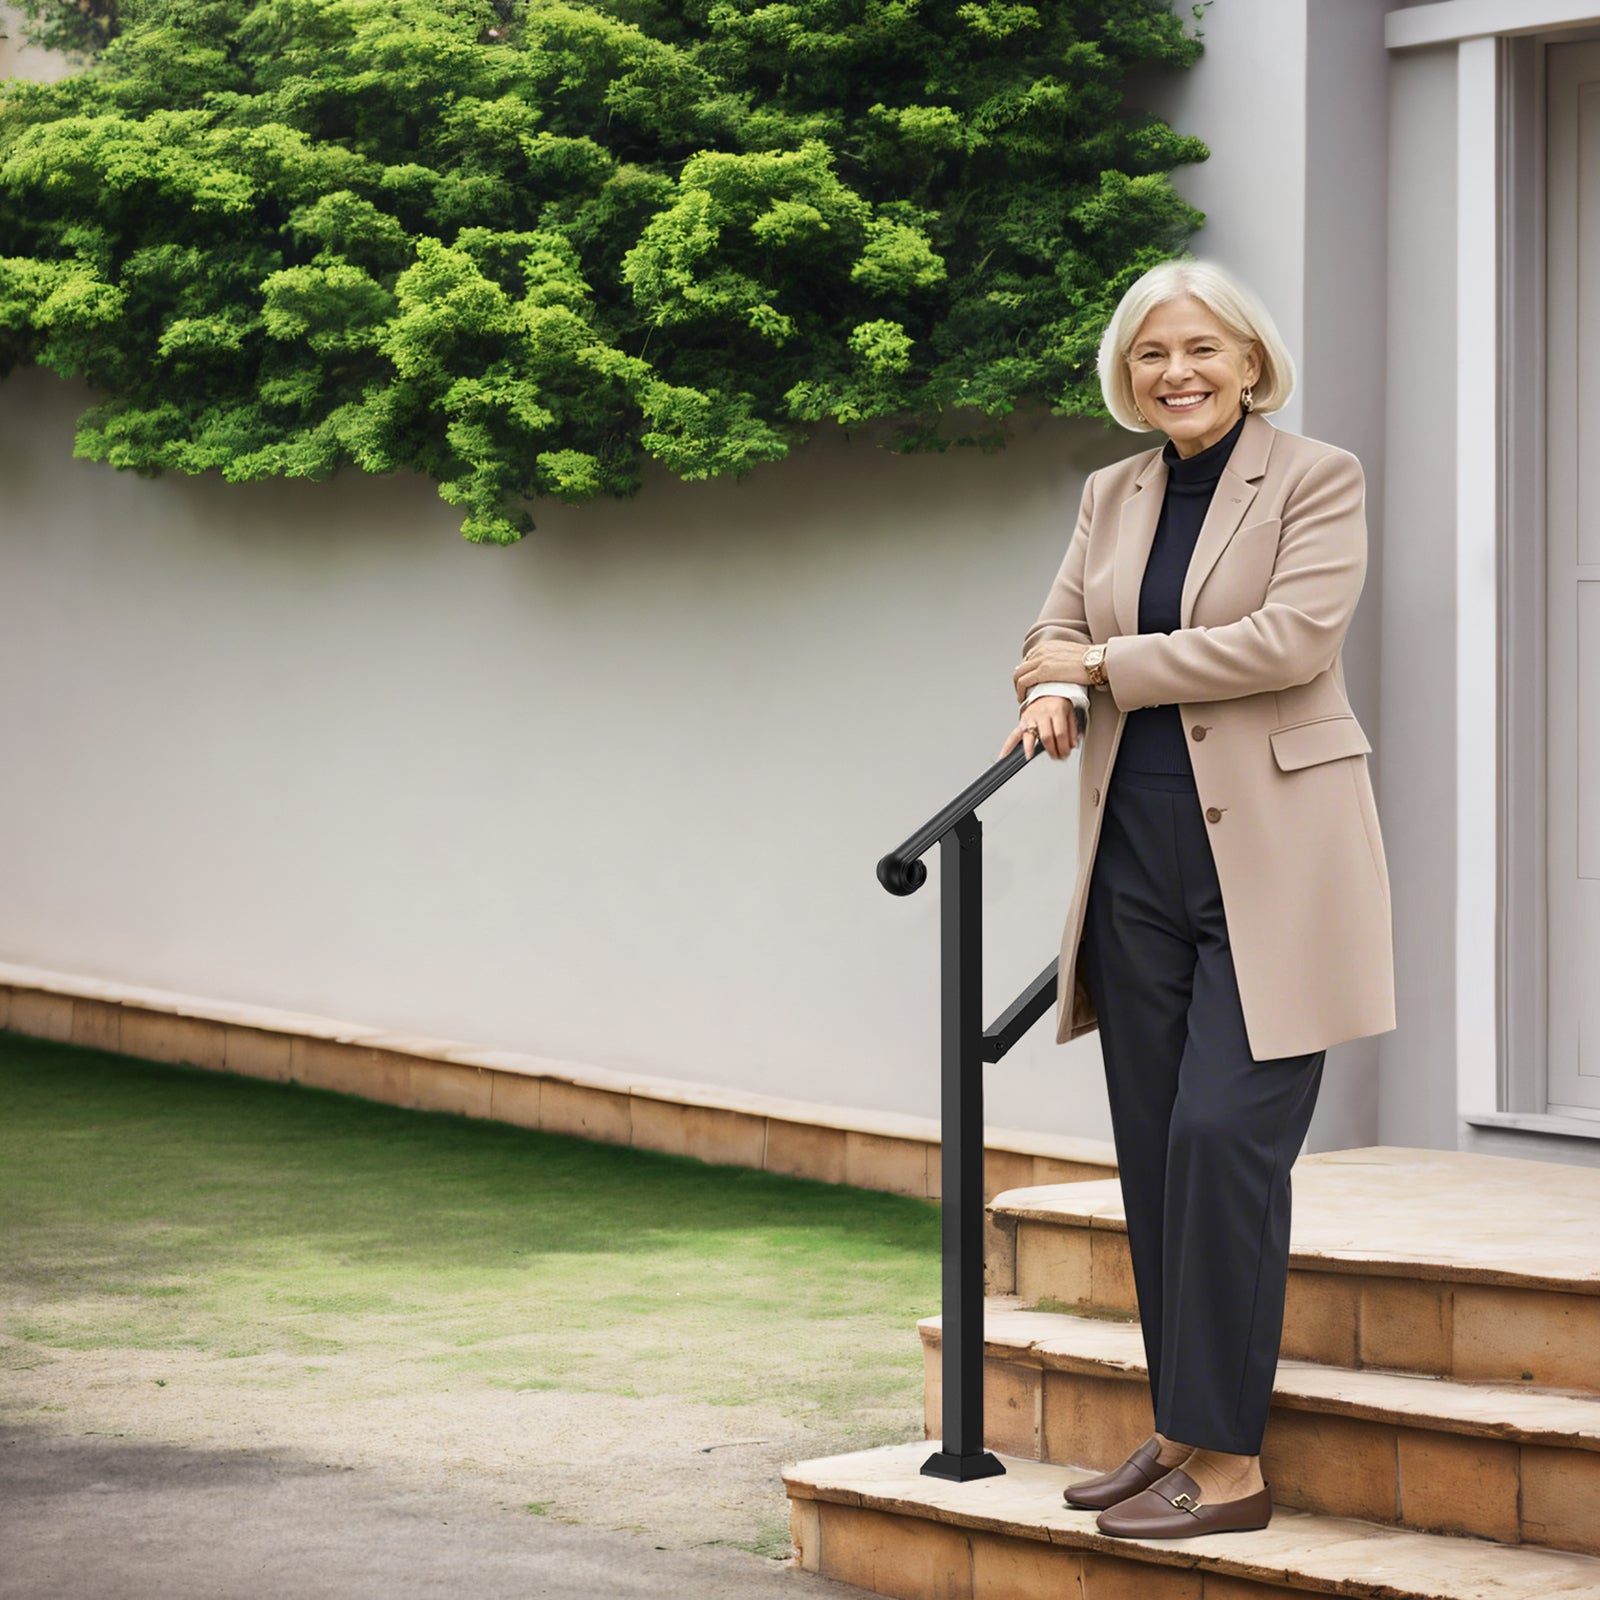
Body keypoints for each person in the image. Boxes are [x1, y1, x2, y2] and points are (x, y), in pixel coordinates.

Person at [998, 259, 1395, 1539]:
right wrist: (1048, 683)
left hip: (1278, 858)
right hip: (1134, 855)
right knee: (1158, 1154)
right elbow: (1048, 633)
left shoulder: (1316, 477)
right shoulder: (1108, 493)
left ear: (1250, 360)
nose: (1177, 372)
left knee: (1224, 1139)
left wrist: (1101, 666)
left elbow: (1289, 640)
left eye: (1202, 348)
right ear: (1127, 372)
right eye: (1151, 352)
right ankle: (1179, 1427)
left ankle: (1229, 1465)